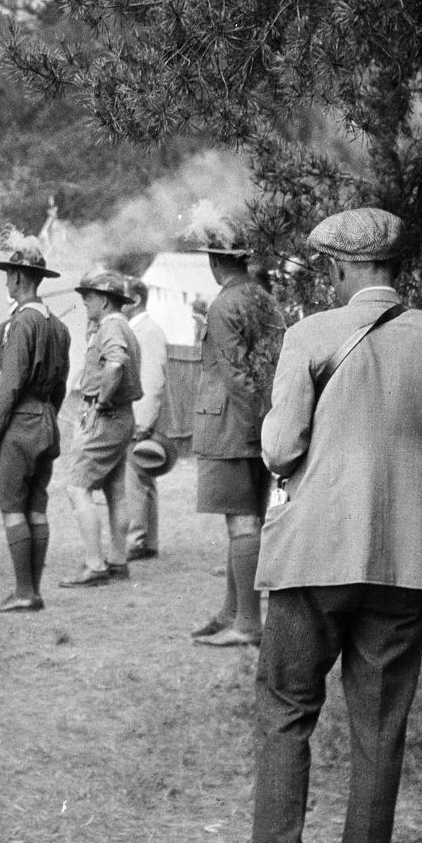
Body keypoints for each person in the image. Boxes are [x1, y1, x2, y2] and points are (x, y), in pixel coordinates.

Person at [254, 207, 422, 843]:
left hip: (314, 554)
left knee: (285, 709)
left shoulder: (310, 333)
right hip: (406, 557)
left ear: (341, 267)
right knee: (380, 730)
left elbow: (278, 449)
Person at [186, 202, 285, 647]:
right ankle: (233, 611)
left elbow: (235, 374)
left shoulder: (224, 304)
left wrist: (254, 427)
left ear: (214, 261)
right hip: (258, 424)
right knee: (244, 522)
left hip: (232, 429)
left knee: (241, 524)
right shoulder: (263, 298)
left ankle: (248, 623)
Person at [0, 229, 71, 612]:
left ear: (19, 278)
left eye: (8, 275)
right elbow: (62, 385)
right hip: (46, 420)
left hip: (18, 422)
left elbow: (11, 383)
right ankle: (31, 590)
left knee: (12, 508)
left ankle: (23, 592)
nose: (6, 281)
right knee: (37, 507)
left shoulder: (21, 324)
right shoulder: (59, 327)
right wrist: (48, 414)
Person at [58, 271, 142, 588]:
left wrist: (102, 401)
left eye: (88, 297)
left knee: (77, 487)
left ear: (104, 300)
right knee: (115, 490)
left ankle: (95, 566)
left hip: (106, 416)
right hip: (122, 416)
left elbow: (116, 363)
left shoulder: (110, 326)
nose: (84, 302)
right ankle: (118, 561)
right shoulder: (122, 325)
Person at [123, 276, 168, 561]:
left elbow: (153, 378)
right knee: (144, 477)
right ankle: (147, 541)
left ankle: (136, 540)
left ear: (136, 300)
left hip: (139, 417)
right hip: (138, 415)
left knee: (136, 479)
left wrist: (143, 421)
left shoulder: (148, 331)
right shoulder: (137, 329)